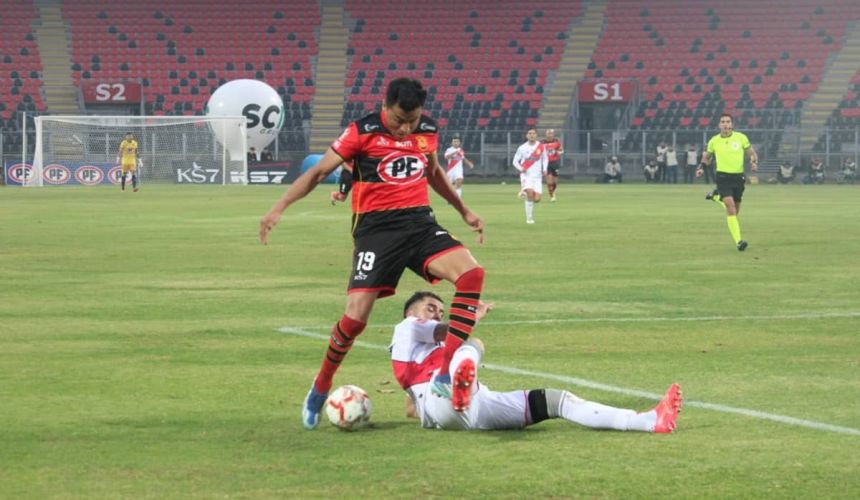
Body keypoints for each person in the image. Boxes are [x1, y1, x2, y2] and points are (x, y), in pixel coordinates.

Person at [258, 77, 486, 429]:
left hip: (420, 224)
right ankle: (320, 387)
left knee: (472, 273)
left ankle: (444, 374)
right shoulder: (360, 131)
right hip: (376, 233)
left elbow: (433, 171)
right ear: (385, 106)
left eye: (411, 121)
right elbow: (319, 172)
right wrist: (278, 208)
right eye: (398, 120)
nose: (404, 128)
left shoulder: (426, 130)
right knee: (355, 320)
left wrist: (463, 211)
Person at [391, 291, 683, 432]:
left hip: (473, 410)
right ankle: (460, 384)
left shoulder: (415, 356)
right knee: (472, 345)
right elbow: (448, 330)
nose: (437, 313)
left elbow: (410, 408)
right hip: (442, 395)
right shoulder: (406, 328)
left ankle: (648, 421)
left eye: (441, 310)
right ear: (411, 313)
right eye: (431, 308)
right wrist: (473, 317)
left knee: (557, 401)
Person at [697, 112, 759, 251]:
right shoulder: (714, 141)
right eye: (723, 121)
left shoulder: (741, 138)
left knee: (735, 211)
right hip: (722, 177)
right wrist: (701, 167)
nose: (725, 124)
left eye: (728, 121)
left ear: (732, 124)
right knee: (730, 207)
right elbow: (707, 157)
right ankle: (739, 242)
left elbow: (752, 154)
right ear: (719, 125)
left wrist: (754, 163)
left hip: (738, 178)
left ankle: (716, 197)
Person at [513, 127, 548, 224]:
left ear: (536, 135)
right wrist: (521, 168)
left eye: (533, 133)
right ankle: (529, 218)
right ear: (527, 135)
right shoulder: (522, 148)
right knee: (530, 194)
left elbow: (545, 159)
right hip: (526, 176)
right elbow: (515, 161)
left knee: (537, 199)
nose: (531, 135)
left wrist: (545, 169)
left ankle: (523, 191)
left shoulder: (541, 147)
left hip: (537, 177)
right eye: (530, 133)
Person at [542, 128, 564, 201]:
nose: (550, 135)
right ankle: (552, 196)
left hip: (554, 163)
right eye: (548, 133)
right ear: (546, 134)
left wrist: (559, 152)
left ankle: (553, 191)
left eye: (551, 133)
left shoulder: (556, 141)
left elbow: (561, 150)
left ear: (553, 134)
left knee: (555, 182)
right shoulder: (542, 142)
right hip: (546, 163)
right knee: (549, 181)